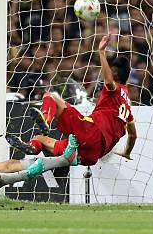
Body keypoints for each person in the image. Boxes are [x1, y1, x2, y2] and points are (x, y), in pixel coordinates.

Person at [8, 34, 137, 169]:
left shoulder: (114, 89)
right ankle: (32, 147)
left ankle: (45, 121)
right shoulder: (127, 106)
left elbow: (109, 81)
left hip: (91, 132)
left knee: (50, 97)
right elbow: (133, 135)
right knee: (41, 139)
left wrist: (101, 52)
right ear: (127, 79)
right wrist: (126, 152)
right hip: (93, 154)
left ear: (114, 73)